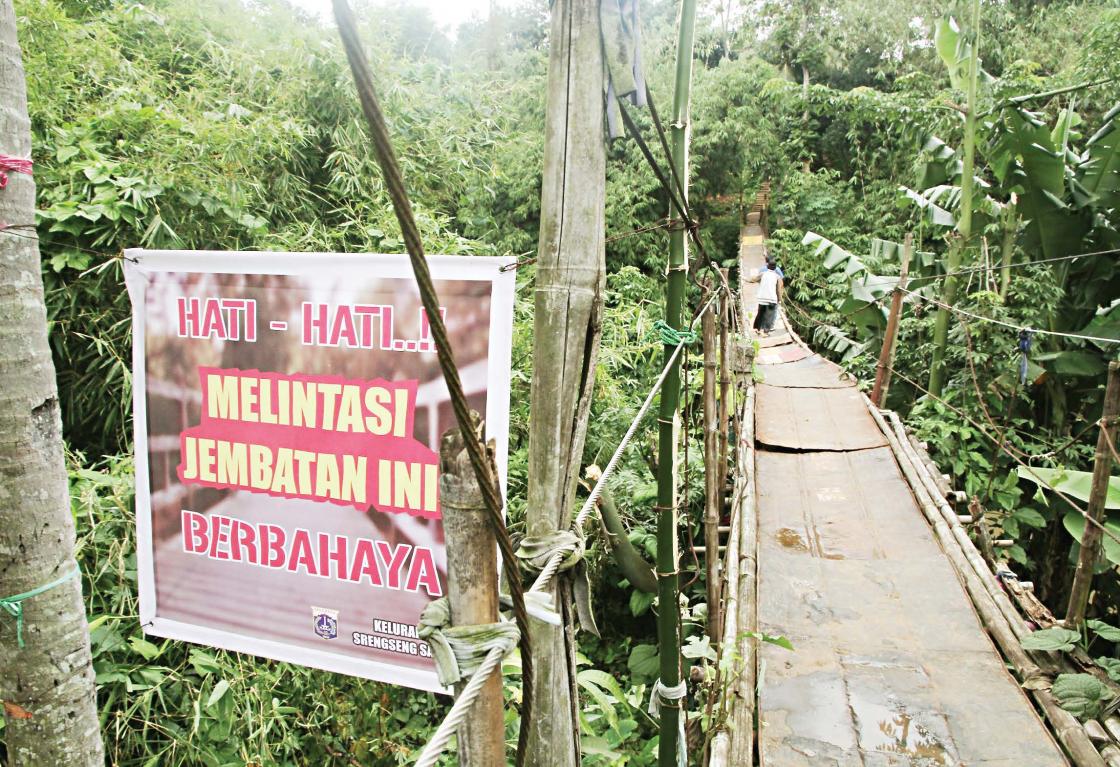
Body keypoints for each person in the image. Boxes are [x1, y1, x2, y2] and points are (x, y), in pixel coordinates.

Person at [750, 257, 783, 335]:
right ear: (775, 268)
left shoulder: (763, 274)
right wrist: (779, 299)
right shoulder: (777, 277)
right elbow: (778, 290)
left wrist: (745, 278)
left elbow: (753, 279)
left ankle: (757, 329)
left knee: (760, 313)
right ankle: (766, 331)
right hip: (771, 299)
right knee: (769, 316)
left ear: (767, 266)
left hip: (761, 298)